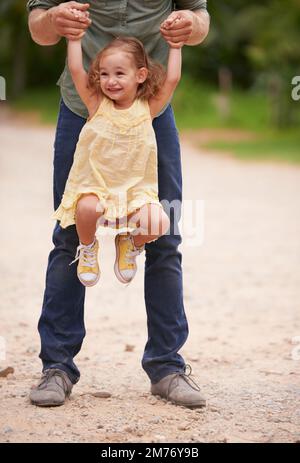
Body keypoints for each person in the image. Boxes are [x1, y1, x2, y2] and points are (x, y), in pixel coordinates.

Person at [27, 1, 210, 409]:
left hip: (150, 109)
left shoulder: (154, 96)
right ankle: (56, 365)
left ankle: (167, 367)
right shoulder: (93, 89)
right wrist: (54, 22)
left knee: (165, 231)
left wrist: (189, 25)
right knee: (71, 233)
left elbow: (200, 20)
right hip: (83, 108)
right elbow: (39, 27)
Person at [53, 29, 180, 287]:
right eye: (104, 74)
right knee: (87, 208)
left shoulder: (148, 109)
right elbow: (77, 69)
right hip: (96, 188)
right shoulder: (97, 104)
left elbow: (173, 79)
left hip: (135, 193)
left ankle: (130, 243)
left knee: (160, 221)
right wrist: (74, 38)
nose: (111, 81)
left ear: (140, 75)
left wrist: (176, 46)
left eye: (119, 73)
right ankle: (88, 247)